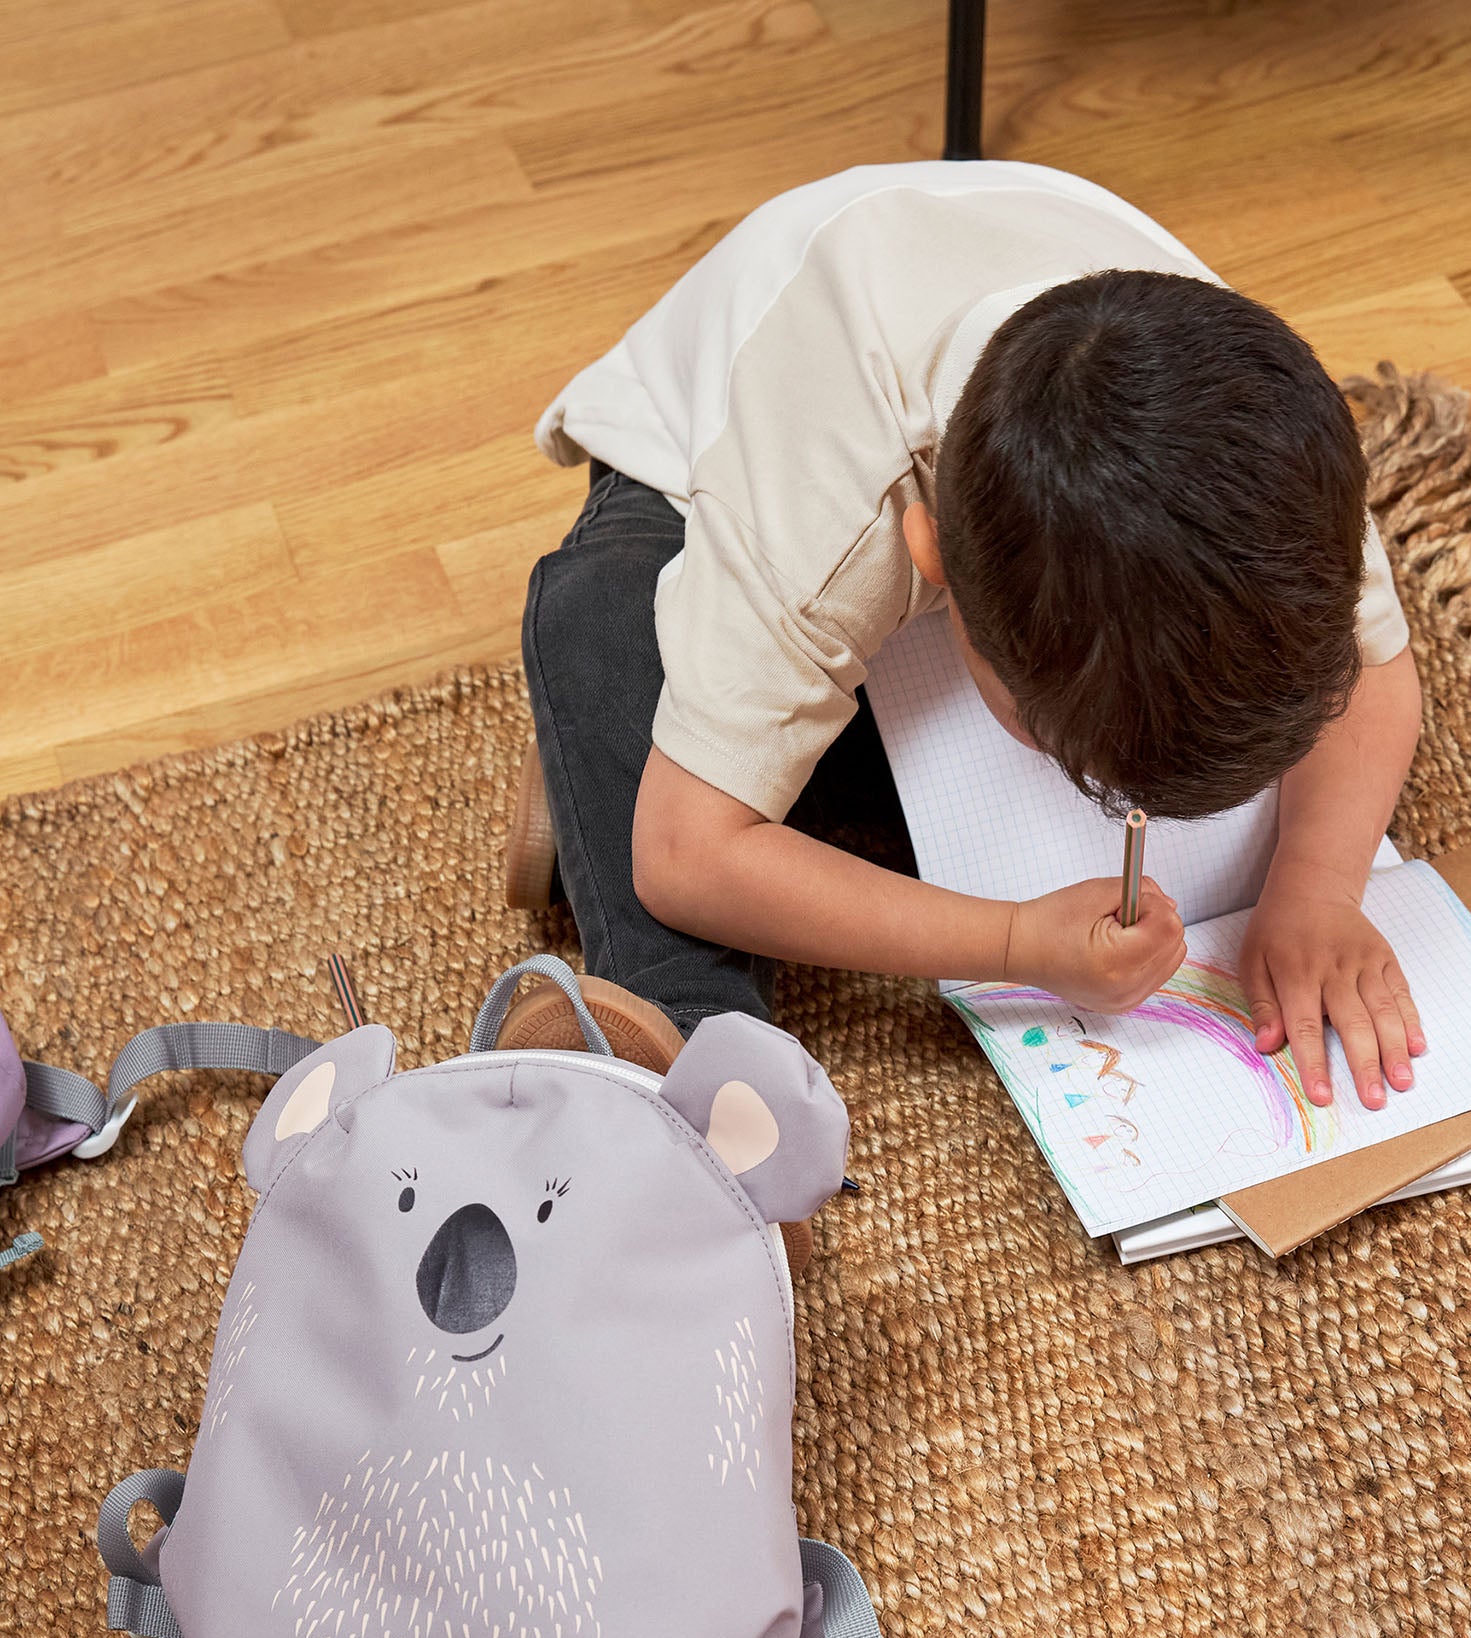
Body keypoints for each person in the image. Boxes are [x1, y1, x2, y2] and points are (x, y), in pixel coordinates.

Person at [505, 160, 1424, 1120]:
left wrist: (1317, 891)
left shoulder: (1269, 464)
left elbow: (1376, 674)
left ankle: (634, 762)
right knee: (603, 621)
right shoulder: (827, 516)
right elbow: (685, 857)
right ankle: (688, 1039)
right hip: (688, 471)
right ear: (930, 554)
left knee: (870, 773)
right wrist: (1014, 942)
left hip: (972, 447)